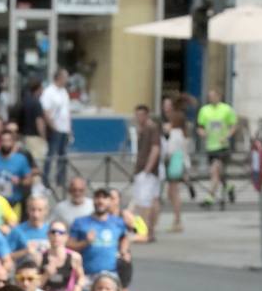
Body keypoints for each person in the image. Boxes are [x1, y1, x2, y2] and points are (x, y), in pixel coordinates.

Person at [69, 187, 129, 280]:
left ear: (110, 201)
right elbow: (69, 245)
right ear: (93, 200)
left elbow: (124, 237)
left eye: (104, 197)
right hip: (86, 275)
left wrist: (123, 251)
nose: (100, 201)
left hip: (111, 274)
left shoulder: (118, 222)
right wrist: (85, 242)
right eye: (97, 197)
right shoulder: (80, 222)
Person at [197, 88, 238, 210]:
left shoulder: (226, 109)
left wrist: (227, 136)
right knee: (219, 174)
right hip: (211, 146)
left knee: (214, 172)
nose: (211, 98)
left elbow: (234, 125)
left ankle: (209, 198)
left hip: (222, 146)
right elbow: (199, 127)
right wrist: (202, 133)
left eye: (213, 96)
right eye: (209, 96)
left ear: (219, 96)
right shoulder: (204, 110)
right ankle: (229, 187)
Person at [40, 220, 84, 291]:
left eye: (60, 233)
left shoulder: (74, 257)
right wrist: (46, 275)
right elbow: (34, 286)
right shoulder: (40, 257)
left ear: (66, 236)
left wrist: (79, 286)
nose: (56, 236)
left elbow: (81, 276)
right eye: (53, 232)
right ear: (48, 235)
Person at [130, 105, 162, 241]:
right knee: (148, 201)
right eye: (137, 115)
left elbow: (155, 149)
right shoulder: (143, 129)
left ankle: (143, 232)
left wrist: (147, 169)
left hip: (146, 171)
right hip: (144, 170)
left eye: (141, 115)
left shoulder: (151, 128)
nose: (138, 118)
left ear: (147, 115)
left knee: (142, 204)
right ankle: (149, 231)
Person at [0, 127, 31, 214]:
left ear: (13, 142)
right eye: (3, 140)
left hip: (14, 202)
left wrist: (20, 181)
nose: (6, 143)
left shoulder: (21, 159)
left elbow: (29, 180)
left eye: (8, 140)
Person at [40, 68, 72, 188]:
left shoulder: (64, 92)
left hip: (64, 128)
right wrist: (52, 126)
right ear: (59, 77)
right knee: (51, 154)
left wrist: (69, 128)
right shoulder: (49, 92)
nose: (67, 80)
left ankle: (61, 179)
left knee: (63, 155)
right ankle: (45, 179)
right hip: (55, 128)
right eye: (65, 77)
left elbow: (67, 111)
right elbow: (45, 111)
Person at [163, 110, 190, 232]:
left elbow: (170, 151)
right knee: (172, 192)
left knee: (174, 193)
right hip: (181, 164)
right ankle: (177, 220)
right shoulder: (182, 133)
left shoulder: (174, 134)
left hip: (174, 165)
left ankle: (177, 221)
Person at [7, 193, 50, 264]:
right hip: (24, 272)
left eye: (40, 210)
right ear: (27, 210)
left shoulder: (52, 231)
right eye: (33, 210)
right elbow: (7, 256)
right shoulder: (17, 231)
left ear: (46, 211)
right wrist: (25, 251)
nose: (36, 214)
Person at [17, 77, 47, 167]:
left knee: (27, 162)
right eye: (42, 89)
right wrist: (44, 137)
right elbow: (39, 121)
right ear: (38, 89)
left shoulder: (23, 102)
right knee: (37, 163)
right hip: (35, 138)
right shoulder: (36, 103)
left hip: (24, 137)